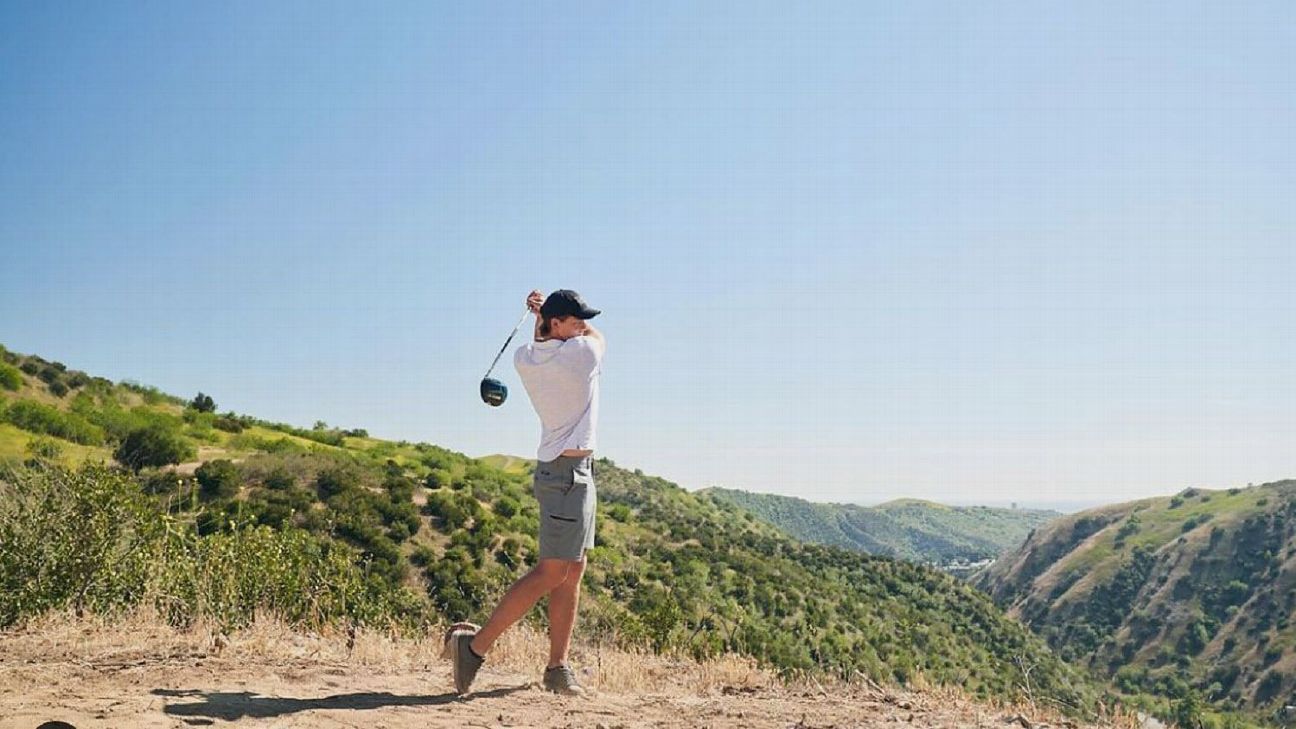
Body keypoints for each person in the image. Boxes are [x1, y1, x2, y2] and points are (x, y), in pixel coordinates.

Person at [449, 288, 606, 697]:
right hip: (566, 477)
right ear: (557, 324)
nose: (581, 325)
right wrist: (549, 319)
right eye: (574, 320)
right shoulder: (582, 353)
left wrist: (541, 319)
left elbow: (542, 341)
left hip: (572, 473)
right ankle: (474, 647)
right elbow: (596, 337)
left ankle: (557, 667)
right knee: (554, 572)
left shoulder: (525, 358)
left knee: (573, 572)